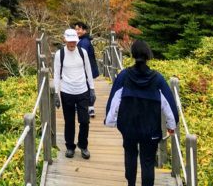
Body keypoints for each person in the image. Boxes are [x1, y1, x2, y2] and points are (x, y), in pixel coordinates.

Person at [104, 40, 178, 186]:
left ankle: (130, 183)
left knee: (130, 155)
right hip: (150, 128)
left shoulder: (124, 76)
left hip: (128, 126)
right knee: (148, 161)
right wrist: (172, 125)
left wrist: (110, 121)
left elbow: (114, 100)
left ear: (133, 55)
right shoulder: (157, 79)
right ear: (148, 55)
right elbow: (169, 104)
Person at [53, 28, 95, 160]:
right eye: (69, 42)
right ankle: (70, 147)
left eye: (74, 42)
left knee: (84, 120)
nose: (72, 44)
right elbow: (56, 74)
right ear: (65, 40)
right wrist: (56, 93)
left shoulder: (82, 53)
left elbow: (88, 71)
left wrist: (92, 89)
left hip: (82, 90)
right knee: (69, 121)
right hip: (67, 91)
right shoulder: (60, 54)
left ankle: (83, 145)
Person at [73, 21, 100, 116]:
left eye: (79, 29)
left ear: (84, 30)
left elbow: (82, 56)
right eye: (75, 29)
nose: (77, 31)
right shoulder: (83, 40)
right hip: (87, 68)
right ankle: (89, 107)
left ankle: (89, 108)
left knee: (86, 87)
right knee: (87, 86)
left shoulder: (84, 42)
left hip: (86, 69)